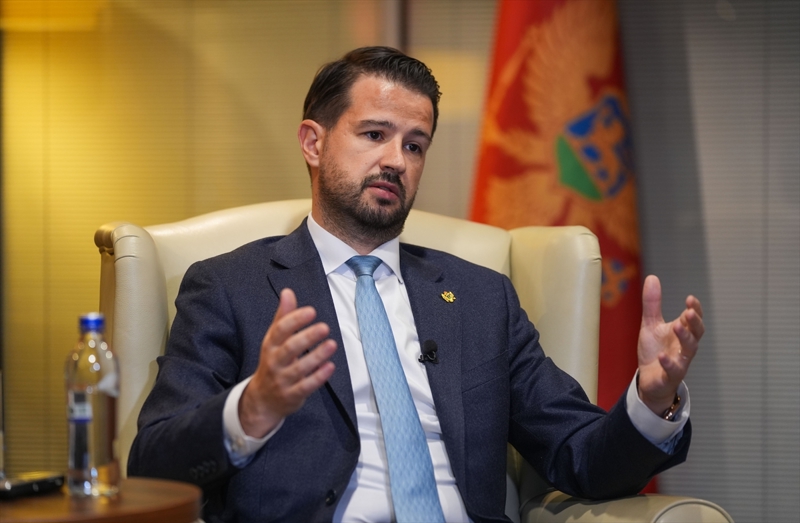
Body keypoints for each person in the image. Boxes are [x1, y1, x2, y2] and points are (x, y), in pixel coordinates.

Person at [128, 47, 704, 523]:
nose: (396, 161)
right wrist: (253, 408)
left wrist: (653, 401)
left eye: (414, 145)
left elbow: (581, 457)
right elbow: (152, 467)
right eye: (374, 134)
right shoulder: (229, 286)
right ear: (313, 143)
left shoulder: (482, 299)